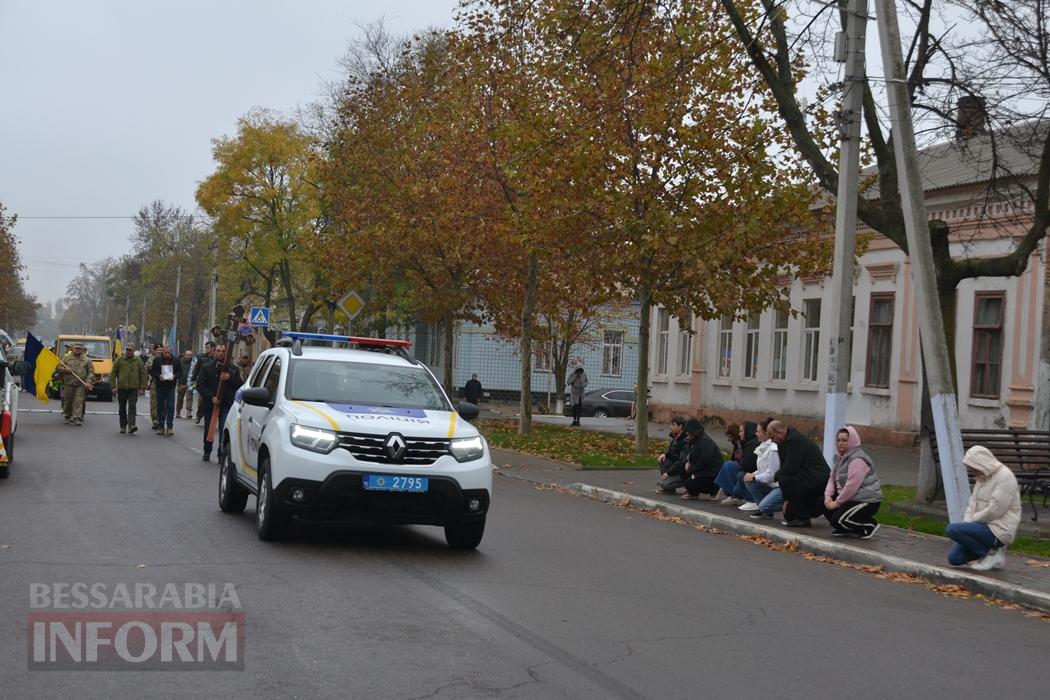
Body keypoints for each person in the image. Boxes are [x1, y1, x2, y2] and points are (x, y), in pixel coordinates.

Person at [946, 445, 1021, 571]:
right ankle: (991, 552)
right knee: (955, 558)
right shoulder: (982, 477)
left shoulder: (1004, 477)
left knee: (952, 529)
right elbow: (972, 504)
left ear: (982, 463)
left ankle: (992, 553)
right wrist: (967, 523)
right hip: (982, 526)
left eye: (974, 469)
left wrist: (972, 521)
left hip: (999, 528)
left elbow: (995, 511)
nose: (973, 472)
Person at [824, 426, 883, 538]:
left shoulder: (858, 459)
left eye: (844, 440)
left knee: (838, 519)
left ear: (852, 441)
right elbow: (832, 479)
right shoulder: (840, 458)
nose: (840, 443)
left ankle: (869, 525)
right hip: (850, 499)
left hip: (866, 500)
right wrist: (828, 497)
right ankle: (845, 528)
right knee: (821, 502)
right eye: (838, 440)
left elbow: (851, 487)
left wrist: (836, 503)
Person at [767, 420, 830, 527]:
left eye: (772, 437)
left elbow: (790, 468)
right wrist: (787, 499)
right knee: (789, 516)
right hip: (805, 479)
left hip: (817, 481)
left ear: (780, 433)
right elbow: (785, 466)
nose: (772, 441)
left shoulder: (794, 441)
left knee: (784, 480)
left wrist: (776, 477)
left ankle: (804, 518)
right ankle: (803, 514)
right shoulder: (783, 442)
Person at [197, 344, 244, 462]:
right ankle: (207, 451)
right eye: (218, 351)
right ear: (214, 352)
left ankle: (221, 453)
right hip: (211, 404)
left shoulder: (233, 369)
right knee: (209, 429)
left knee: (224, 429)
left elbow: (240, 385)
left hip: (226, 404)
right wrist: (211, 397)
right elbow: (200, 385)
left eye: (223, 351)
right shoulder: (207, 367)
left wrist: (229, 378)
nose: (220, 353)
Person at [744, 418, 783, 518]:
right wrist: (753, 474)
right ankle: (765, 511)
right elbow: (763, 469)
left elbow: (772, 475)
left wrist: (754, 477)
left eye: (758, 432)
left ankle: (789, 506)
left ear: (766, 433)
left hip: (778, 486)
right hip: (769, 484)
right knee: (748, 480)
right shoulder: (763, 446)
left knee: (764, 505)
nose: (756, 434)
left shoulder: (773, 449)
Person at [714, 422, 758, 506]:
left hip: (747, 470)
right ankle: (731, 493)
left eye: (730, 436)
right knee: (728, 465)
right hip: (741, 466)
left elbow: (746, 461)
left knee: (729, 466)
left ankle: (736, 495)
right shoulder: (737, 443)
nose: (728, 439)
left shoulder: (748, 444)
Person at [679, 418, 722, 500]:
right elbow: (687, 453)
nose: (687, 435)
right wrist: (686, 463)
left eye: (688, 433)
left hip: (710, 473)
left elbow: (705, 460)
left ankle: (714, 489)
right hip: (699, 469)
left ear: (693, 432)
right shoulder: (693, 440)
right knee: (681, 468)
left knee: (689, 483)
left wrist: (692, 469)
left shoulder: (705, 441)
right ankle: (693, 492)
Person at [112, 344, 147, 434]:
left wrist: (142, 388)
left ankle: (132, 425)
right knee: (122, 407)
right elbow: (113, 374)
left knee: (132, 406)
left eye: (130, 350)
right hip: (122, 387)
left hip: (133, 388)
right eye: (127, 350)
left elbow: (143, 374)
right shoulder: (119, 360)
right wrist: (113, 386)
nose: (128, 352)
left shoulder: (138, 361)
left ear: (133, 351)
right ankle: (123, 426)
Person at [57, 342, 95, 426]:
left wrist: (88, 382)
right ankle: (67, 415)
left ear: (82, 350)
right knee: (68, 401)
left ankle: (76, 417)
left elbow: (91, 372)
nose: (78, 350)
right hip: (68, 383)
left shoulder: (87, 360)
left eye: (79, 349)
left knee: (78, 401)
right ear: (72, 349)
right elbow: (59, 367)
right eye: (76, 348)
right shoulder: (66, 358)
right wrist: (66, 370)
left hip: (80, 384)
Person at [149, 346, 182, 436]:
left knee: (170, 407)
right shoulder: (157, 360)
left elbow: (180, 372)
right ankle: (161, 426)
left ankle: (170, 427)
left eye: (169, 352)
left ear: (171, 352)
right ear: (163, 352)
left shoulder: (176, 360)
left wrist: (175, 376)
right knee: (160, 407)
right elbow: (152, 372)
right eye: (165, 352)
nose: (167, 354)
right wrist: (159, 376)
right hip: (160, 386)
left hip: (171, 387)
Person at [657, 416, 689, 493]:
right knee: (663, 459)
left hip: (683, 472)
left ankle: (688, 484)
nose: (670, 427)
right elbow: (672, 452)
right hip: (675, 468)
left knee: (664, 485)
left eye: (673, 425)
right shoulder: (675, 437)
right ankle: (670, 487)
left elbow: (681, 461)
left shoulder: (686, 441)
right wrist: (665, 454)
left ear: (680, 426)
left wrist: (668, 473)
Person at [191, 341, 216, 424]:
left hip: (213, 384)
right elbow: (197, 369)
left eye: (208, 347)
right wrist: (193, 378)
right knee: (201, 401)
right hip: (203, 383)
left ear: (213, 348)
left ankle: (211, 419)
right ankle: (199, 416)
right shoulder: (201, 357)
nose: (206, 349)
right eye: (206, 347)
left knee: (213, 402)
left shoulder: (216, 358)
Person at [145, 343, 163, 430]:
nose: (160, 351)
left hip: (164, 384)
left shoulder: (166, 359)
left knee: (164, 403)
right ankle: (155, 420)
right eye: (158, 350)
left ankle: (161, 419)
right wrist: (145, 383)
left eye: (161, 350)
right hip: (155, 383)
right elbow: (146, 371)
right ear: (155, 351)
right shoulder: (151, 359)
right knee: (154, 403)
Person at [176, 349, 194, 419]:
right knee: (180, 398)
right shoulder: (180, 362)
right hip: (181, 382)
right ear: (184, 354)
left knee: (189, 398)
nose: (188, 356)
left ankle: (189, 412)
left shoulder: (194, 363)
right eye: (187, 355)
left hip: (190, 383)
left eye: (190, 355)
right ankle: (178, 412)